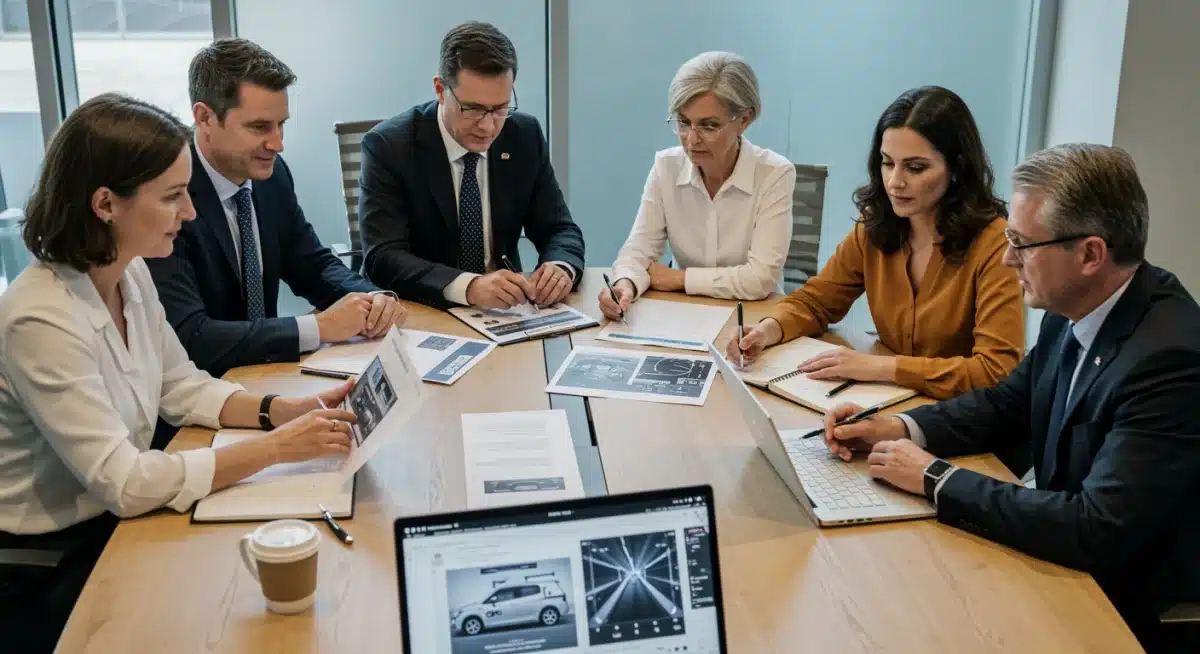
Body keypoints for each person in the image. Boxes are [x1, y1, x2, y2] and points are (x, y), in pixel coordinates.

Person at [0, 94, 359, 653]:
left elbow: (180, 385)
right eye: (172, 198)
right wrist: (276, 449)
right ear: (105, 204)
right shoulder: (39, 319)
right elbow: (122, 483)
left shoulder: (130, 272)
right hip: (55, 562)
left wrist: (282, 412)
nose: (190, 213)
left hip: (118, 523)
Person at [821, 144, 1200, 653]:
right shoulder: (1079, 305)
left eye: (1021, 244)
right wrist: (897, 428)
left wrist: (934, 477)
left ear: (1090, 254)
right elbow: (1006, 404)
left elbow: (1094, 527)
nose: (1006, 258)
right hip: (1069, 567)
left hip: (1130, 609)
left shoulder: (1169, 359)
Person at [727, 86, 1023, 400]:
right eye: (887, 163)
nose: (895, 182)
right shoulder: (877, 227)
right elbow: (815, 302)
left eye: (915, 167)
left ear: (957, 168)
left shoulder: (995, 245)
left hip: (962, 417)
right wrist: (765, 331)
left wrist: (882, 368)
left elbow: (996, 370)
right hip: (892, 403)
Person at [146, 38, 406, 379]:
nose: (277, 144)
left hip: (264, 375)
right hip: (196, 391)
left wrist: (373, 298)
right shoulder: (165, 194)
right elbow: (191, 335)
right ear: (204, 117)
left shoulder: (271, 175)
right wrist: (318, 327)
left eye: (281, 124)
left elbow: (310, 264)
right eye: (259, 127)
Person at [358, 21, 585, 309]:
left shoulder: (523, 136)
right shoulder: (389, 146)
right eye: (474, 109)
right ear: (440, 90)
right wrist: (469, 286)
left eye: (501, 108)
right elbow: (383, 256)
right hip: (422, 308)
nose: (489, 126)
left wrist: (560, 266)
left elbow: (558, 228)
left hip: (507, 312)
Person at [599, 51, 796, 312]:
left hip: (753, 318)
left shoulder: (775, 174)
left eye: (709, 126)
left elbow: (760, 279)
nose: (691, 140)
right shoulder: (666, 167)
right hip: (684, 314)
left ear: (744, 120)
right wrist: (625, 285)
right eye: (683, 122)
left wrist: (679, 279)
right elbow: (638, 251)